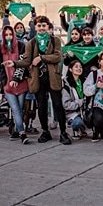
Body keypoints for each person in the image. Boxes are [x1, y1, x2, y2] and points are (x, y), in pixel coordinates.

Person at [8, 16, 71, 144]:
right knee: (41, 106)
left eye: (44, 25)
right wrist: (14, 63)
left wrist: (41, 58)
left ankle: (63, 132)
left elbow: (57, 56)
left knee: (58, 105)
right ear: (35, 27)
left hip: (53, 77)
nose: (41, 28)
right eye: (39, 26)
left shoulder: (55, 40)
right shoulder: (31, 43)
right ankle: (45, 131)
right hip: (38, 78)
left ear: (48, 27)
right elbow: (27, 60)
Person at [2, 25, 30, 144]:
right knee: (15, 109)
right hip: (8, 86)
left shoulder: (21, 45)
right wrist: (4, 82)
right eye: (6, 35)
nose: (8, 37)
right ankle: (22, 133)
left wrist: (16, 79)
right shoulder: (1, 48)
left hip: (21, 83)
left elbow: (23, 64)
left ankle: (17, 130)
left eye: (10, 34)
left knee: (20, 108)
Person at [62, 59, 87, 139]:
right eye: (76, 67)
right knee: (77, 123)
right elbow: (66, 104)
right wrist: (79, 103)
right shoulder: (66, 85)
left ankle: (83, 129)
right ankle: (77, 129)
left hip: (84, 111)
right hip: (72, 113)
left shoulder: (85, 81)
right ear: (70, 69)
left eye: (80, 67)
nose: (79, 68)